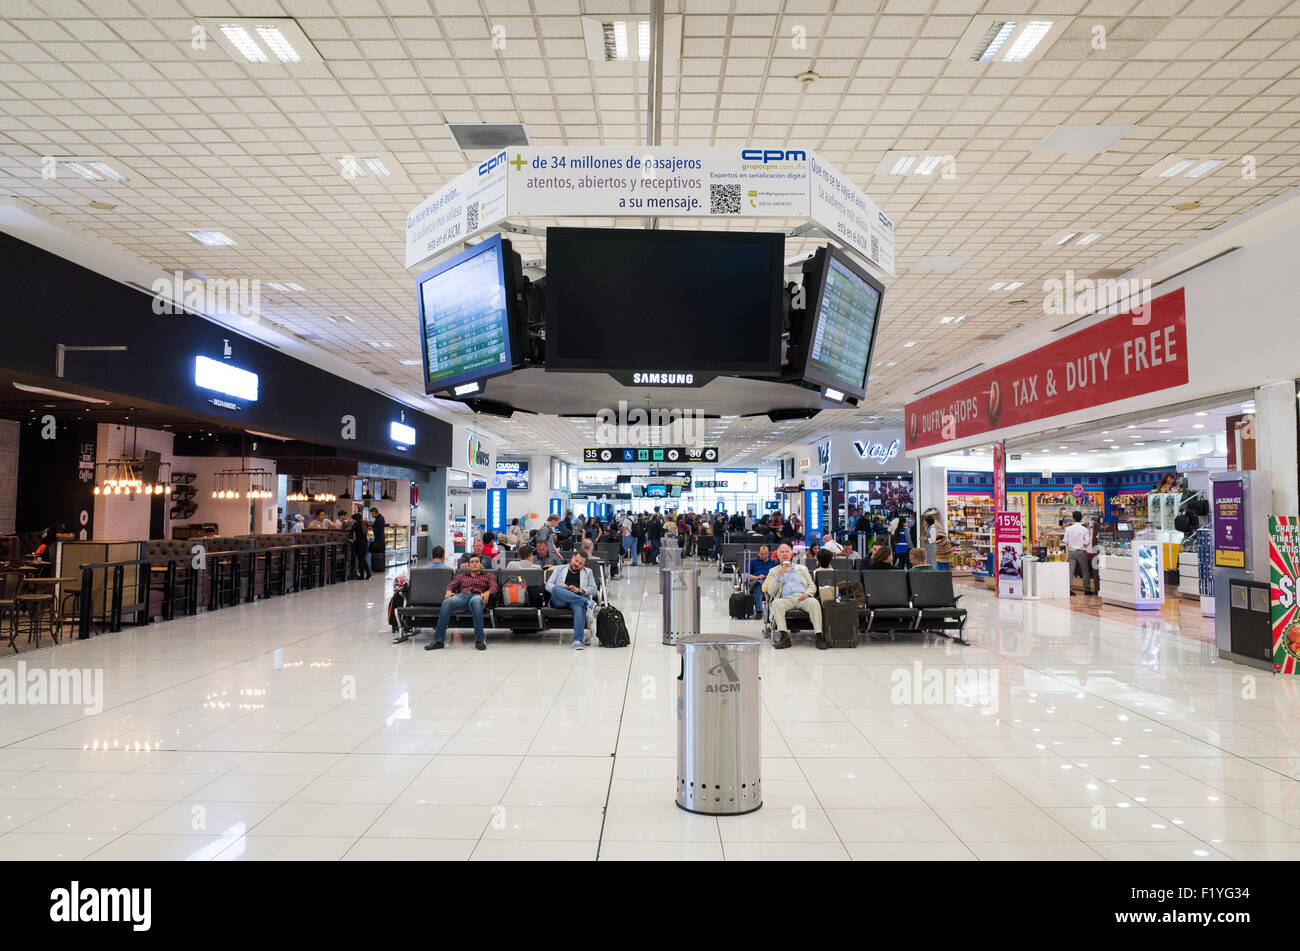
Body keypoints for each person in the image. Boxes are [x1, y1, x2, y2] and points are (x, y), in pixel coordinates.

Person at [424, 554, 497, 651]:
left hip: (478, 597)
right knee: (447, 602)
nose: (474, 564)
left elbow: (494, 587)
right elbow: (451, 586)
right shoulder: (461, 576)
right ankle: (438, 641)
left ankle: (479, 640)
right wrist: (449, 591)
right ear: (469, 565)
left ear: (481, 565)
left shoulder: (488, 576)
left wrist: (488, 592)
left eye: (476, 562)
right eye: (472, 562)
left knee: (475, 601)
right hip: (462, 597)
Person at [762, 543, 825, 650]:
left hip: (802, 597)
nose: (785, 554)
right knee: (776, 603)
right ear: (777, 555)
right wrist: (779, 575)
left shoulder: (802, 568)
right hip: (786, 599)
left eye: (787, 551)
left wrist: (808, 594)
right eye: (782, 552)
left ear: (791, 554)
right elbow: (771, 591)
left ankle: (819, 636)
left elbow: (811, 586)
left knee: (814, 602)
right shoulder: (774, 571)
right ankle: (785, 637)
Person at [545, 550, 599, 650]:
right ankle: (587, 602)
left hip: (575, 600)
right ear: (572, 558)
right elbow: (548, 585)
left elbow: (594, 588)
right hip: (559, 600)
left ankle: (577, 640)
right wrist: (561, 586)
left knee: (579, 608)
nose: (577, 564)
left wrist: (581, 590)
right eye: (576, 561)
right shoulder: (559, 569)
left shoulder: (588, 572)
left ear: (584, 564)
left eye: (580, 563)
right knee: (557, 588)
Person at [744, 544, 777, 617]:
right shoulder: (753, 562)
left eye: (766, 554)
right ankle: (759, 611)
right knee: (758, 585)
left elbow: (777, 574)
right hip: (756, 581)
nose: (764, 556)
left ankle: (759, 610)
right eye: (762, 554)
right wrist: (757, 577)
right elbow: (746, 575)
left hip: (769, 582)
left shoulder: (773, 562)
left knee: (759, 584)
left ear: (768, 553)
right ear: (758, 553)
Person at [1065, 510, 1092, 595]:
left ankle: (1069, 589)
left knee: (1070, 571)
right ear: (1081, 518)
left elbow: (1065, 541)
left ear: (1073, 519)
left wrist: (1070, 545)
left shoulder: (1068, 529)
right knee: (1085, 570)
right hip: (1081, 552)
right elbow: (1087, 542)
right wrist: (1082, 545)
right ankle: (1087, 589)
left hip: (1071, 552)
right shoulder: (1084, 529)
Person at [351, 513, 372, 579]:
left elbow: (351, 531)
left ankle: (363, 575)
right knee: (362, 559)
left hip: (359, 544)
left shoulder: (355, 525)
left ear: (355, 520)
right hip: (365, 543)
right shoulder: (365, 524)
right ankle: (367, 573)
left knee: (361, 560)